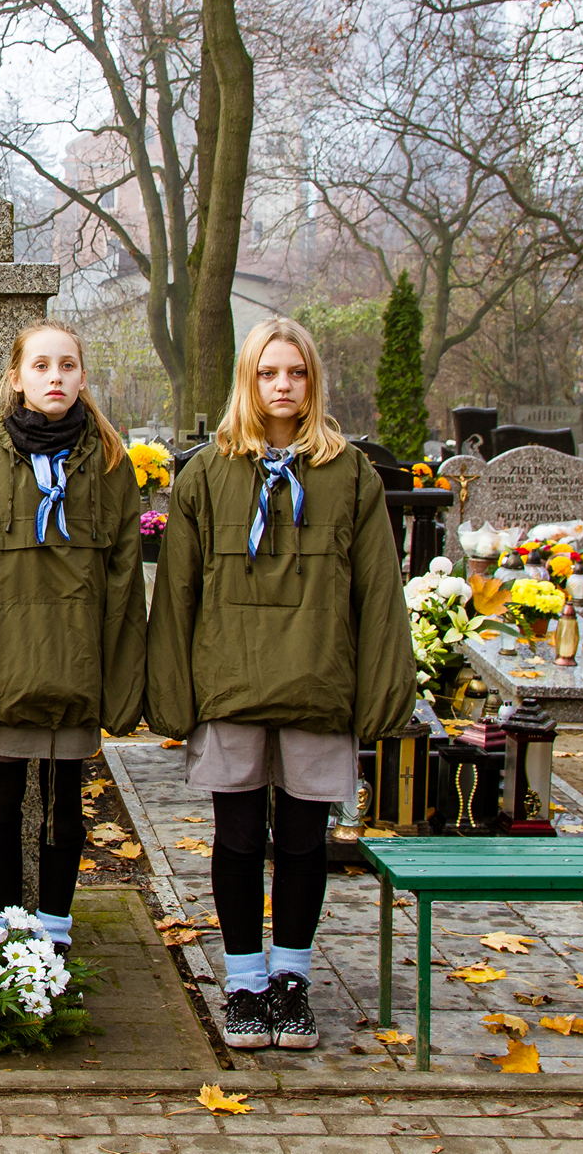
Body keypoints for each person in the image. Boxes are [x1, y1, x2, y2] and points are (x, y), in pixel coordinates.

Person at [146, 317, 414, 1050]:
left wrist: (387, 690)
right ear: (248, 379)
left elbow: (379, 591)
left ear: (312, 380)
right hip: (231, 681)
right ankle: (243, 979)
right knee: (236, 836)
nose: (283, 385)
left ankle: (291, 979)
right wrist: (169, 694)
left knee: (302, 838)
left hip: (318, 680)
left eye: (295, 372)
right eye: (269, 373)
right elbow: (176, 596)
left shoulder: (350, 473)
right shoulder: (206, 473)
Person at [0, 320, 148, 951]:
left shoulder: (107, 462)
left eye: (69, 366)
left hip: (75, 665)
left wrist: (118, 673)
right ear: (17, 378)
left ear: (83, 376)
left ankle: (54, 931)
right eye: (43, 366)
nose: (56, 377)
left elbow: (125, 578)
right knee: (1, 800)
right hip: (6, 664)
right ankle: (8, 928)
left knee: (64, 808)